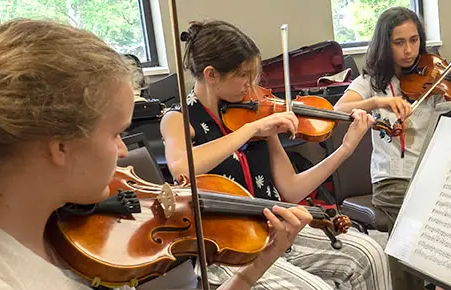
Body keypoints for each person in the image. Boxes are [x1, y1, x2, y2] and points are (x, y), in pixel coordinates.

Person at [0, 19, 311, 290]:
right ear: (60, 146)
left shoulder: (49, 232)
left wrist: (251, 271)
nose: (124, 151)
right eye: (116, 133)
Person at [159, 20, 392, 290]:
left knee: (370, 254)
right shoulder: (179, 117)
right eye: (243, 75)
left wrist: (345, 150)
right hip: (229, 248)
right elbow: (181, 167)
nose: (251, 84)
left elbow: (291, 190)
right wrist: (250, 129)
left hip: (278, 229)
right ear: (211, 75)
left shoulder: (254, 112)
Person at [332, 6, 451, 290]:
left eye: (414, 40)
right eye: (399, 42)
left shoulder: (435, 80)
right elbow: (340, 109)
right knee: (417, 221)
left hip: (433, 176)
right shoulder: (370, 83)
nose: (409, 50)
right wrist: (378, 102)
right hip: (392, 182)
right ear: (384, 45)